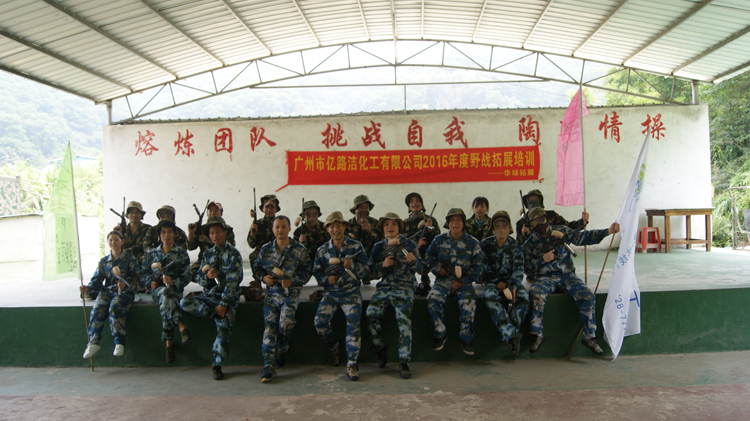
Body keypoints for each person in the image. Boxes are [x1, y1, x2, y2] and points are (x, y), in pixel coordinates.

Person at [523, 207, 620, 355]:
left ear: (547, 219)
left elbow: (584, 237)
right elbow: (527, 269)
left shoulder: (562, 231)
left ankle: (589, 336)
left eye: (541, 220)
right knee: (535, 294)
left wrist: (608, 231)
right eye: (534, 222)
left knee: (587, 295)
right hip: (544, 278)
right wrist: (542, 260)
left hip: (567, 276)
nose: (539, 224)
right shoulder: (530, 243)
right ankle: (537, 335)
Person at [180, 216, 244, 380]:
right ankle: (217, 312)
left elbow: (233, 283)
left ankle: (217, 365)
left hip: (227, 297)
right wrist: (207, 277)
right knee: (184, 302)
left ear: (224, 232)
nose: (215, 236)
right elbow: (199, 279)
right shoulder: (207, 254)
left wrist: (224, 303)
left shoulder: (233, 254)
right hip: (211, 296)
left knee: (223, 329)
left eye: (218, 232)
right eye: (212, 233)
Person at [253, 215, 312, 383]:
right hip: (271, 295)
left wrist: (293, 281)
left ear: (289, 229)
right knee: (269, 329)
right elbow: (256, 267)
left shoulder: (299, 249)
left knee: (285, 324)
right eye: (277, 227)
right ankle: (268, 366)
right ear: (273, 229)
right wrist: (263, 278)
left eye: (283, 226)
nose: (280, 230)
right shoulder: (266, 249)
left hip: (289, 294)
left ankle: (282, 345)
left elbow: (307, 271)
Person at [312, 211, 369, 381]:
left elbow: (367, 269)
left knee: (353, 326)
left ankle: (352, 364)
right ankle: (333, 346)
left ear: (344, 226)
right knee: (319, 322)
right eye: (331, 226)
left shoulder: (356, 247)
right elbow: (316, 272)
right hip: (331, 293)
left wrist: (352, 267)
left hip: (351, 292)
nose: (335, 229)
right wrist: (326, 280)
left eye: (338, 225)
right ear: (327, 229)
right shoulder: (322, 250)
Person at [367, 212, 422, 379]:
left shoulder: (409, 244)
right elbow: (369, 273)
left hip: (405, 287)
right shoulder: (379, 247)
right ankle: (380, 348)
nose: (390, 227)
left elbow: (423, 269)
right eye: (386, 224)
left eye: (393, 224)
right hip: (385, 288)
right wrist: (382, 266)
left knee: (403, 320)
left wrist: (415, 262)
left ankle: (404, 362)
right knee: (370, 314)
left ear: (399, 227)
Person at [426, 208, 483, 355]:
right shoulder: (439, 240)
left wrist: (464, 280)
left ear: (463, 223)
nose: (455, 223)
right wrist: (438, 269)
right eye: (452, 220)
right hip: (443, 280)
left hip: (464, 282)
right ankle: (440, 334)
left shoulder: (473, 243)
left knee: (469, 303)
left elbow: (478, 266)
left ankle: (466, 339)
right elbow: (429, 256)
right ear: (448, 223)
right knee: (433, 299)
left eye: (458, 220)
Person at [80, 230, 140, 359]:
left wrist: (126, 284)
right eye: (111, 240)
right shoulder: (104, 261)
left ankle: (119, 341)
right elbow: (97, 280)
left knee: (115, 307)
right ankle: (93, 342)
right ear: (107, 242)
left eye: (116, 239)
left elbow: (136, 278)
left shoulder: (129, 258)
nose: (113, 242)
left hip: (124, 292)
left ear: (122, 241)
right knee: (97, 309)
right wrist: (87, 289)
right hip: (107, 291)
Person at [141, 219, 191, 364]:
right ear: (158, 235)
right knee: (164, 294)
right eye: (163, 232)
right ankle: (180, 326)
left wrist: (173, 282)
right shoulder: (152, 254)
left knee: (167, 298)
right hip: (157, 290)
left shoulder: (181, 254)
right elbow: (144, 273)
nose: (166, 235)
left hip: (175, 290)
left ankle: (168, 343)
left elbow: (187, 276)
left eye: (169, 232)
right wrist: (149, 283)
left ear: (175, 234)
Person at [480, 211, 528, 358]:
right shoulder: (485, 244)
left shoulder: (515, 245)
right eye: (497, 226)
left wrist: (513, 286)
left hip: (510, 281)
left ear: (509, 228)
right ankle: (512, 334)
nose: (501, 229)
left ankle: (508, 334)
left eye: (504, 225)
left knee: (523, 298)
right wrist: (496, 282)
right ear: (493, 229)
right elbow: (483, 267)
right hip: (492, 281)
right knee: (489, 297)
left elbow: (519, 269)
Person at [516, 189, 589, 245]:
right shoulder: (522, 223)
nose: (533, 202)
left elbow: (569, 227)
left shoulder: (552, 216)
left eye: (536, 199)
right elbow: (519, 246)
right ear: (526, 203)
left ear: (541, 202)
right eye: (530, 200)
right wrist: (524, 235)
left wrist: (582, 222)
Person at [403, 192, 440, 296]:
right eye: (411, 201)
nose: (414, 203)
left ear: (422, 204)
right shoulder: (405, 223)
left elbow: (438, 239)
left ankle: (432, 280)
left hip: (428, 253)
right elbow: (404, 242)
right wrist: (416, 245)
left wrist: (430, 228)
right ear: (408, 206)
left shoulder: (431, 220)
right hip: (412, 253)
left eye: (417, 201)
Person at [187, 201, 235, 279]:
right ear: (207, 214)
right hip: (204, 261)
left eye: (216, 210)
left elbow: (230, 248)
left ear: (221, 213)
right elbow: (190, 247)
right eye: (210, 211)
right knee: (189, 274)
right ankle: (207, 281)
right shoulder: (201, 229)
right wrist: (191, 233)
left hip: (222, 260)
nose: (213, 213)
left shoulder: (227, 229)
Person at [245, 194, 280, 301]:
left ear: (276, 209)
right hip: (260, 253)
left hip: (275, 252)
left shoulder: (279, 223)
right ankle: (257, 282)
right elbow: (251, 244)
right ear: (263, 209)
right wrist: (252, 233)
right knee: (253, 256)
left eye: (272, 207)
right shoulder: (257, 223)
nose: (269, 209)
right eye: (266, 207)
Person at [345, 195, 383, 284]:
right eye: (361, 207)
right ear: (355, 209)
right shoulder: (347, 225)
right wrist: (349, 239)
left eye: (366, 207)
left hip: (371, 258)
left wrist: (370, 232)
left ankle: (367, 275)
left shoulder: (375, 223)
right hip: (354, 260)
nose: (364, 210)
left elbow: (382, 242)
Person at [293, 200, 330, 264]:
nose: (312, 217)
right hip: (305, 264)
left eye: (314, 214)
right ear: (304, 216)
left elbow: (331, 247)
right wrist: (300, 244)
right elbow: (294, 254)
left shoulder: (325, 228)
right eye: (308, 214)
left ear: (318, 214)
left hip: (323, 262)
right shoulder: (298, 232)